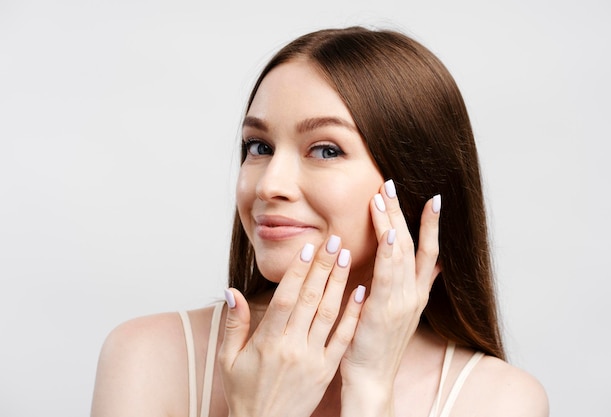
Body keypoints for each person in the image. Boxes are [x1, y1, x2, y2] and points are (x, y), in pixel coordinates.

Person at [91, 26, 549, 417]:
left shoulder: (497, 400)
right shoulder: (147, 358)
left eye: (326, 149)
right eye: (259, 146)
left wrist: (370, 391)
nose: (270, 185)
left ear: (410, 187)